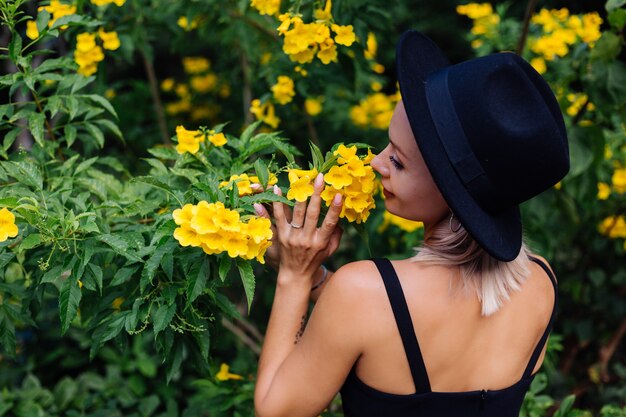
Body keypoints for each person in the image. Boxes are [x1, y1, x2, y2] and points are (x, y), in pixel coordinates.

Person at [252, 30, 569, 417]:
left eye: (398, 161)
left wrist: (294, 276)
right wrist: (318, 279)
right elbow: (417, 322)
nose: (376, 163)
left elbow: (276, 410)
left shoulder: (362, 293)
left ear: (453, 192)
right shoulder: (542, 282)